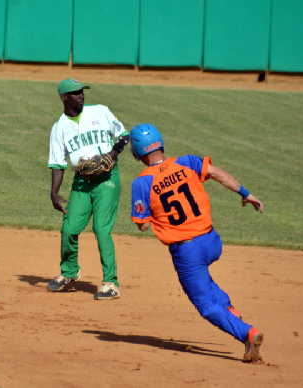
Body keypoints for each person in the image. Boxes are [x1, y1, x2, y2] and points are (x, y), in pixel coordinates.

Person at [129, 123, 266, 363]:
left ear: (137, 153)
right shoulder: (187, 162)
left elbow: (142, 224)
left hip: (188, 250)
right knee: (206, 283)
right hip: (212, 241)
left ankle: (247, 333)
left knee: (204, 305)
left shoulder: (142, 183)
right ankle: (232, 313)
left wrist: (150, 214)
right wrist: (246, 193)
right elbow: (216, 173)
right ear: (160, 144)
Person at [47, 78, 129, 300]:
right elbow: (57, 163)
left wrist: (112, 154)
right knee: (69, 229)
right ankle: (69, 273)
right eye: (75, 93)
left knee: (102, 229)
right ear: (64, 98)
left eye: (82, 91)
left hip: (107, 180)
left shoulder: (101, 112)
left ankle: (110, 282)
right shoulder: (59, 128)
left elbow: (123, 136)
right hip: (81, 183)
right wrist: (54, 193)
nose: (81, 95)